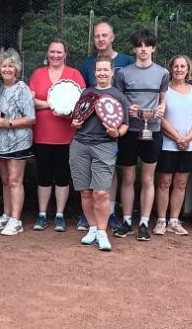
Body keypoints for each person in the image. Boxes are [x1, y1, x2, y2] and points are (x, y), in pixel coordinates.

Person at [75, 21, 134, 231]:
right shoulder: (88, 63)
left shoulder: (127, 61)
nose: (101, 39)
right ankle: (89, 217)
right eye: (97, 36)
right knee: (88, 175)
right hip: (88, 133)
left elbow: (130, 91)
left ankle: (110, 213)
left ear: (112, 37)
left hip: (113, 132)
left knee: (109, 172)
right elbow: (83, 97)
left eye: (104, 35)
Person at [112, 29, 169, 241]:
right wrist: (128, 108)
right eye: (139, 46)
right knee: (127, 177)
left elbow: (163, 100)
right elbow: (119, 100)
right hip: (129, 131)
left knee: (147, 179)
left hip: (152, 131)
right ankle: (127, 221)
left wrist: (161, 109)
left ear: (153, 48)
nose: (143, 50)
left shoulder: (163, 73)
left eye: (147, 45)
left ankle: (144, 222)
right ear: (134, 48)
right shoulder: (124, 73)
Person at [71, 55, 130, 251]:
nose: (102, 73)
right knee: (86, 192)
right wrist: (74, 123)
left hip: (105, 146)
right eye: (99, 70)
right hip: (80, 145)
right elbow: (77, 117)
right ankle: (93, 228)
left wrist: (116, 133)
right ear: (94, 72)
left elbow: (124, 126)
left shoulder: (119, 96)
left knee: (101, 193)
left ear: (112, 72)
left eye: (106, 70)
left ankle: (103, 232)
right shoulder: (86, 93)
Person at [28, 38, 85, 232]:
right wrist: (53, 105)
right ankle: (42, 215)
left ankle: (59, 215)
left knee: (62, 175)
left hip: (67, 135)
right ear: (47, 53)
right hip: (42, 134)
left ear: (65, 54)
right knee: (43, 175)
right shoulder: (38, 74)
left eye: (59, 52)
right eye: (52, 52)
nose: (55, 55)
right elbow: (31, 100)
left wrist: (68, 110)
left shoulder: (74, 74)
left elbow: (82, 102)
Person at [0, 48, 35, 236]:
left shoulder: (22, 88)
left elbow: (31, 118)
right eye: (4, 65)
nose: (7, 69)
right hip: (0, 142)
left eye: (11, 65)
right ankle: (6, 215)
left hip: (18, 142)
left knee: (15, 180)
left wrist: (8, 123)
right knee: (6, 180)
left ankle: (16, 219)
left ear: (17, 68)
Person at [154, 55, 192, 236]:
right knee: (165, 182)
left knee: (181, 183)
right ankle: (161, 220)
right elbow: (160, 117)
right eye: (176, 66)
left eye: (183, 66)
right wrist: (177, 137)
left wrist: (188, 138)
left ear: (188, 70)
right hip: (168, 145)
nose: (179, 69)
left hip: (189, 145)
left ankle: (174, 220)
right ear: (171, 69)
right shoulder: (164, 91)